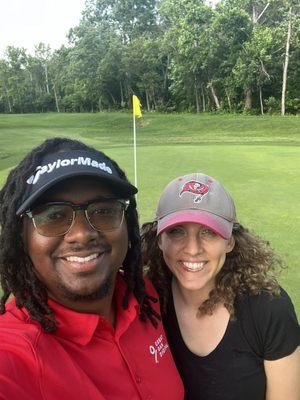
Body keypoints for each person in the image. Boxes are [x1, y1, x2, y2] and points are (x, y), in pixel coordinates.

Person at [0, 137, 184, 400]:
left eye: (103, 211)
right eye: (53, 215)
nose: (82, 234)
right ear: (21, 237)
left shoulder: (146, 298)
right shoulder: (15, 354)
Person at [141, 172, 300, 400]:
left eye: (208, 232)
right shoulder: (145, 304)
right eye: (177, 232)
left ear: (230, 241)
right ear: (158, 240)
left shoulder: (269, 308)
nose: (193, 249)